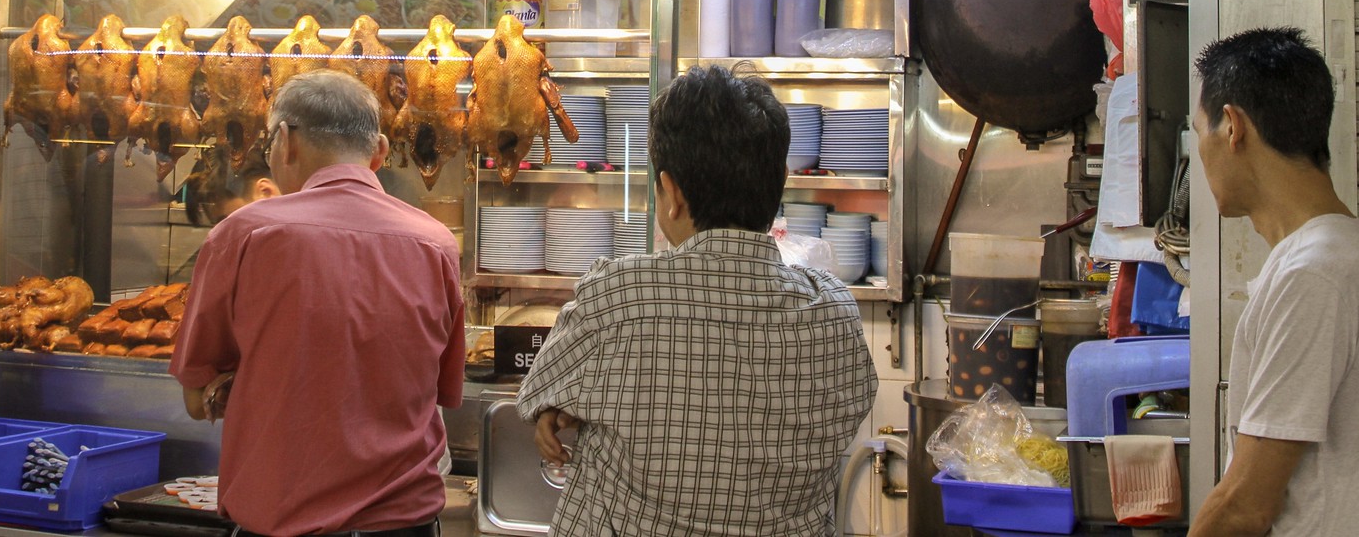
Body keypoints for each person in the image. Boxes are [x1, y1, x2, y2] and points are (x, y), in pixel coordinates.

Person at [515, 63, 878, 537]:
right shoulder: (834, 310)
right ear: (778, 184)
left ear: (672, 194)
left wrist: (562, 407)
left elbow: (537, 395)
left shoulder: (617, 294)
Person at [171, 71, 464, 537]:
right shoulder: (437, 244)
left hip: (284, 520)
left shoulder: (244, 234)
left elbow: (196, 396)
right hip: (406, 523)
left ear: (284, 140)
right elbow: (440, 389)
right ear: (381, 152)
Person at [1186, 27, 1359, 537]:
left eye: (1198, 132)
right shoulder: (1341, 254)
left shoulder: (1314, 274)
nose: (1200, 153)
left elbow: (1246, 505)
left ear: (1232, 127)